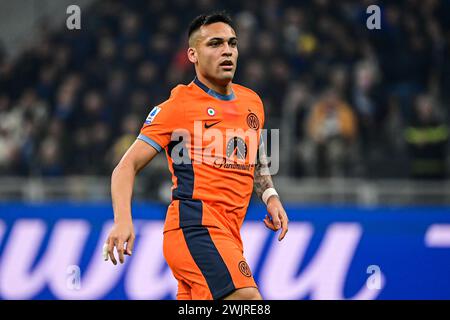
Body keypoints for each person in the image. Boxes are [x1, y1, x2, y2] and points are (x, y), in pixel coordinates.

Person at [103, 12, 289, 300]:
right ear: (193, 54)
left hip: (229, 233)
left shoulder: (252, 102)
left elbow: (255, 156)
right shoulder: (178, 106)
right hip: (195, 228)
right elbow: (126, 166)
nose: (226, 50)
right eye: (214, 44)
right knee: (247, 299)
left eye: (232, 43)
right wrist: (123, 219)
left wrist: (270, 195)